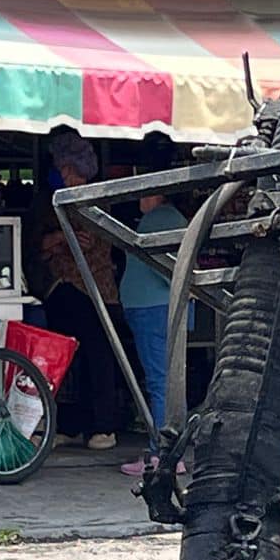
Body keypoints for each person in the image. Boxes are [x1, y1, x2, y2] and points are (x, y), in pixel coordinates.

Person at [24, 130, 123, 450]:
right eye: (62, 168)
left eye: (70, 168)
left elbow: (90, 240)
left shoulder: (97, 199)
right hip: (61, 289)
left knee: (98, 357)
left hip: (95, 289)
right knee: (66, 359)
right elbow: (41, 244)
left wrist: (58, 243)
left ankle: (104, 426)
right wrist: (58, 242)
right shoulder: (56, 201)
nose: (65, 174)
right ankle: (69, 423)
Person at [119, 192, 193, 477]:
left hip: (153, 309)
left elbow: (170, 267)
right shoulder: (172, 219)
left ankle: (162, 455)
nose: (139, 198)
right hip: (163, 307)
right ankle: (171, 453)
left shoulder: (159, 220)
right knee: (171, 380)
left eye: (145, 191)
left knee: (160, 381)